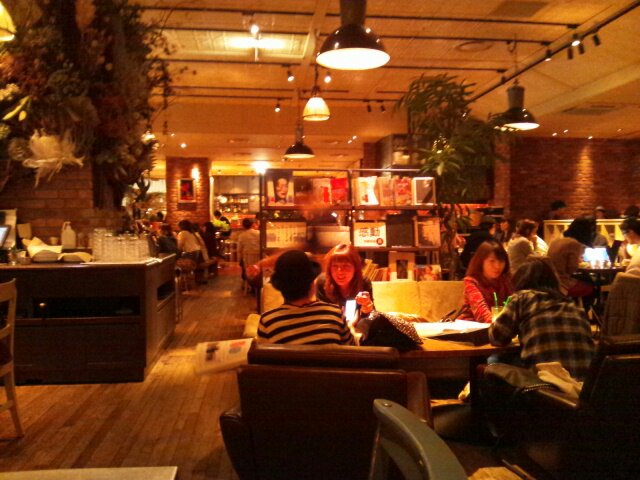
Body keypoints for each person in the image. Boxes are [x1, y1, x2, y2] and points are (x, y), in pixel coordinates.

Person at [489, 257, 595, 380]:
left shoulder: (522, 298)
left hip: (546, 386)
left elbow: (497, 337)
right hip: (584, 386)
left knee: (493, 360)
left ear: (520, 281)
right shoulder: (574, 307)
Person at [257, 250, 355, 345]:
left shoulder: (267, 321)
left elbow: (261, 354)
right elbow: (352, 350)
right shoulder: (334, 313)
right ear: (312, 285)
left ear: (280, 287)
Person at [459, 241, 513, 324]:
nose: (497, 266)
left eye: (501, 261)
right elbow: (482, 315)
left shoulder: (505, 280)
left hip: (499, 327)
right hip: (472, 327)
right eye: (492, 261)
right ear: (481, 261)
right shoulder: (471, 282)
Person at [315, 243, 374, 315]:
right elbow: (320, 314)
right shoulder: (322, 282)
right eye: (335, 266)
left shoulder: (363, 282)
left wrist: (367, 308)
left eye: (346, 266)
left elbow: (370, 314)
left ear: (355, 268)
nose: (340, 271)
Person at [237, 217, 261, 283]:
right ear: (253, 224)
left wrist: (240, 260)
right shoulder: (260, 233)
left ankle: (249, 283)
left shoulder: (242, 236)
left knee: (247, 269)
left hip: (248, 260)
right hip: (260, 259)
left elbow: (239, 250)